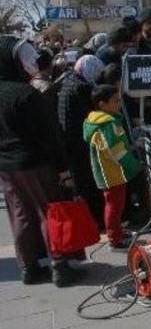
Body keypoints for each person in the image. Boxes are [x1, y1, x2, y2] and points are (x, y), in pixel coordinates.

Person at [0, 36, 87, 287]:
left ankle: (28, 267)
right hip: (36, 162)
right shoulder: (26, 93)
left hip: (7, 166)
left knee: (20, 214)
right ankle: (59, 265)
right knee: (49, 211)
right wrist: (62, 168)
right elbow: (50, 134)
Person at [84, 84, 143, 250]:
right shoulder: (109, 124)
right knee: (114, 205)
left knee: (115, 204)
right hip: (111, 171)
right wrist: (135, 166)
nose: (119, 104)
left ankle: (116, 232)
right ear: (103, 105)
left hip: (106, 170)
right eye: (116, 101)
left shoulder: (94, 120)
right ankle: (114, 239)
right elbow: (117, 151)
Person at [57, 55, 106, 229]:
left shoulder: (68, 82)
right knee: (89, 182)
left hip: (69, 141)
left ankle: (88, 220)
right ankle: (95, 220)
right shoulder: (81, 88)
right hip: (80, 142)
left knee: (81, 182)